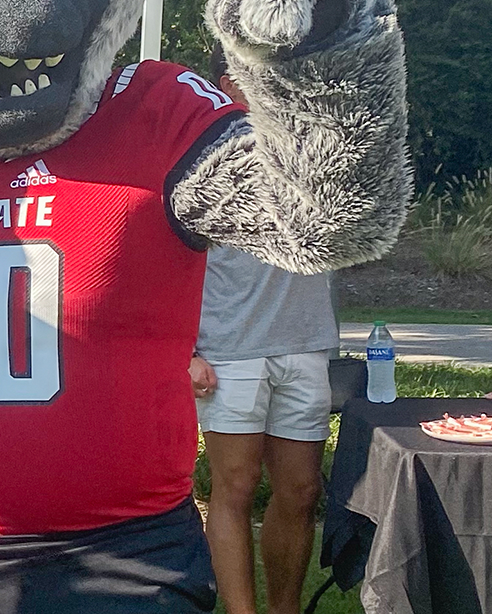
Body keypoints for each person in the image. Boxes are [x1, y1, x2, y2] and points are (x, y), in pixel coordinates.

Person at [190, 46, 340, 614]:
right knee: (233, 487)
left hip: (304, 340)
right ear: (230, 81)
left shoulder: (312, 142)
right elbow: (168, 261)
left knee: (301, 491)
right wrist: (186, 350)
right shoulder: (200, 153)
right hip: (229, 349)